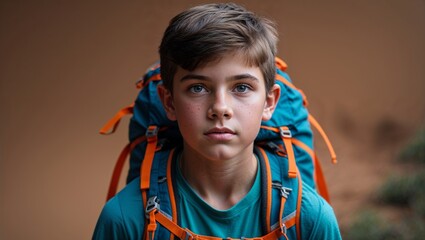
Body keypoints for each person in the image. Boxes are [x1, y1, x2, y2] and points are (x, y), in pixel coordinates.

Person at [93, 3, 342, 239]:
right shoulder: (124, 219)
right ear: (169, 102)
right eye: (198, 88)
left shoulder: (310, 218)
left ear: (269, 102)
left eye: (241, 87)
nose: (220, 108)